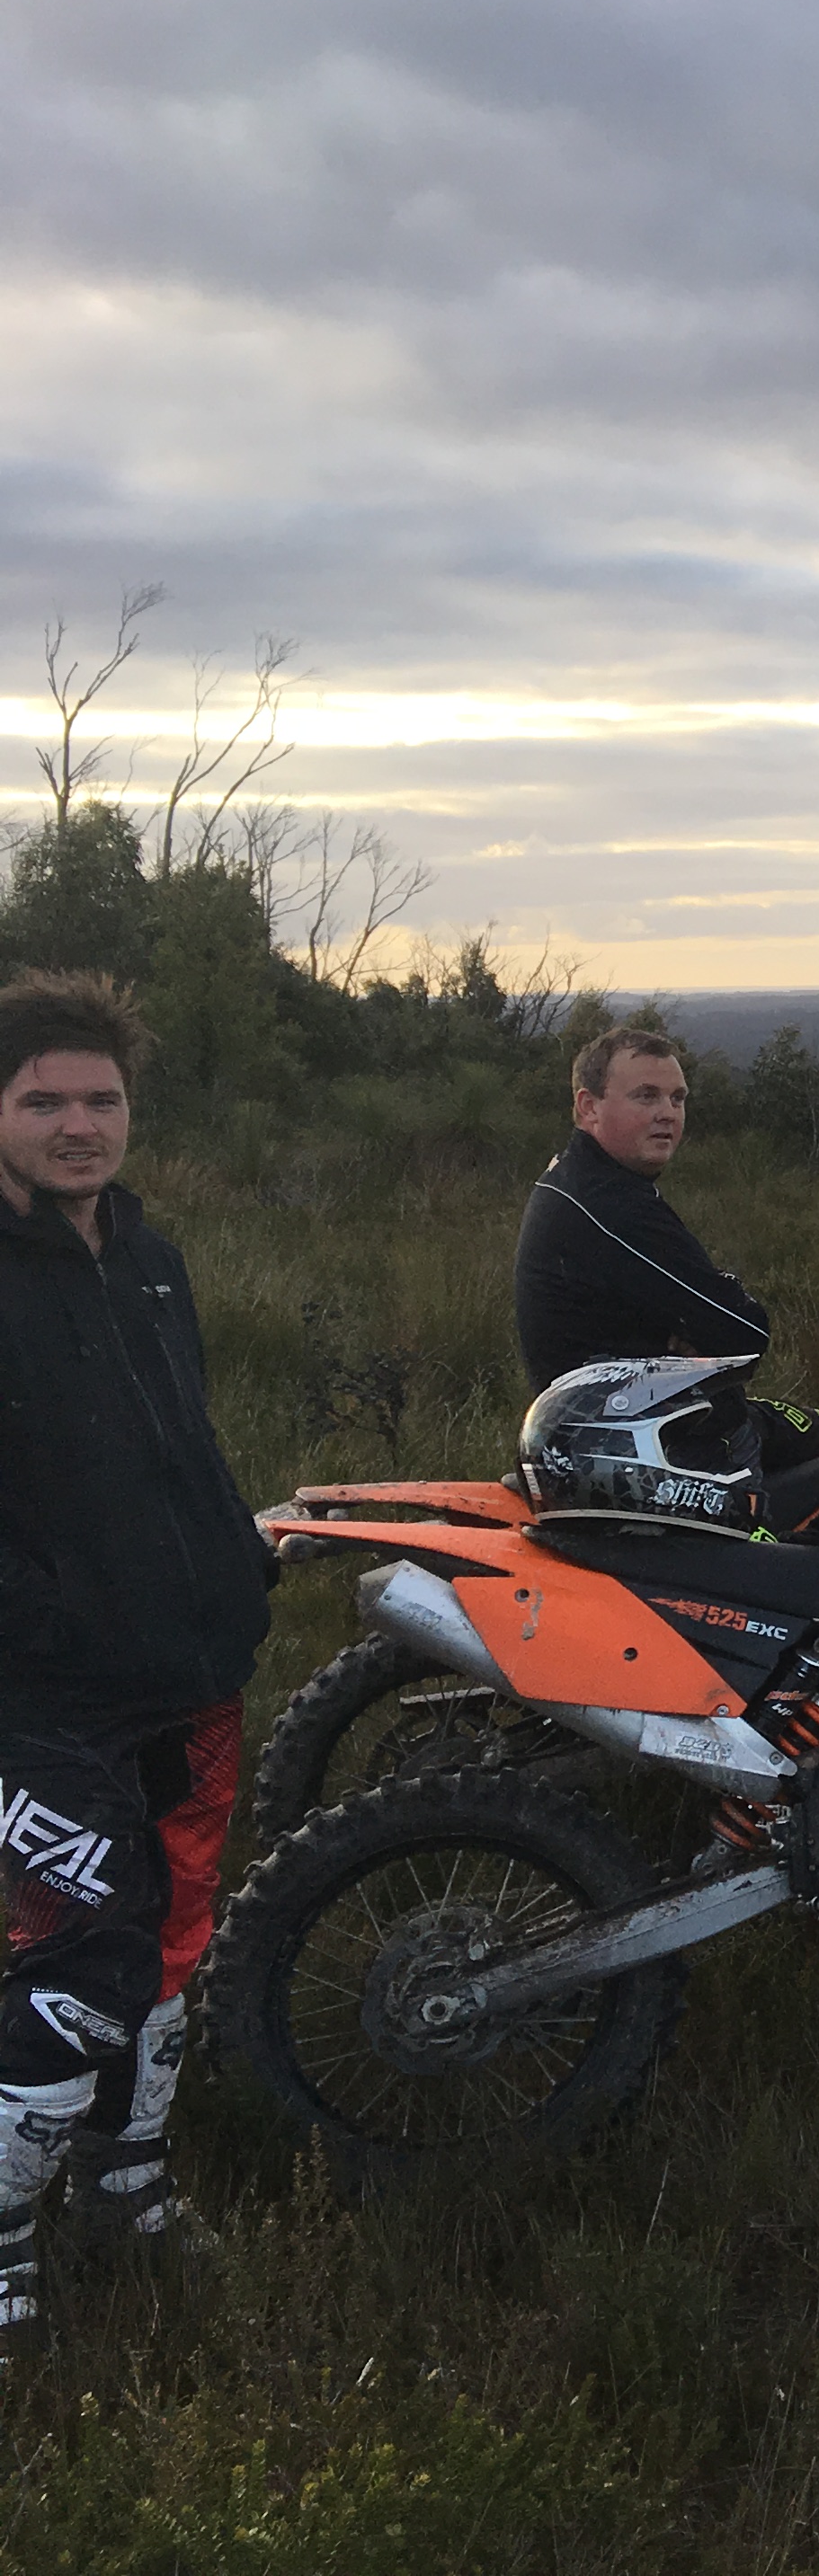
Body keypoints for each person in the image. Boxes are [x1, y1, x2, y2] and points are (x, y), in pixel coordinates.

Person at [0, 971, 274, 2353]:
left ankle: (124, 2183)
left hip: (189, 1668)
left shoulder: (149, 1255)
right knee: (80, 1959)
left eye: (100, 1099)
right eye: (42, 1100)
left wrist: (236, 1559)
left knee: (173, 1940)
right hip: (44, 1697)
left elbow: (185, 1443)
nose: (78, 1125)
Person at [514, 1028, 819, 1474]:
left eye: (677, 1098)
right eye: (646, 1096)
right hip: (658, 1455)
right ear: (589, 1107)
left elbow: (711, 1319)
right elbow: (743, 1332)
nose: (667, 1113)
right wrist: (709, 1316)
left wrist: (697, 1324)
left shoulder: (581, 1178)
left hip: (640, 1429)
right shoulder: (610, 1206)